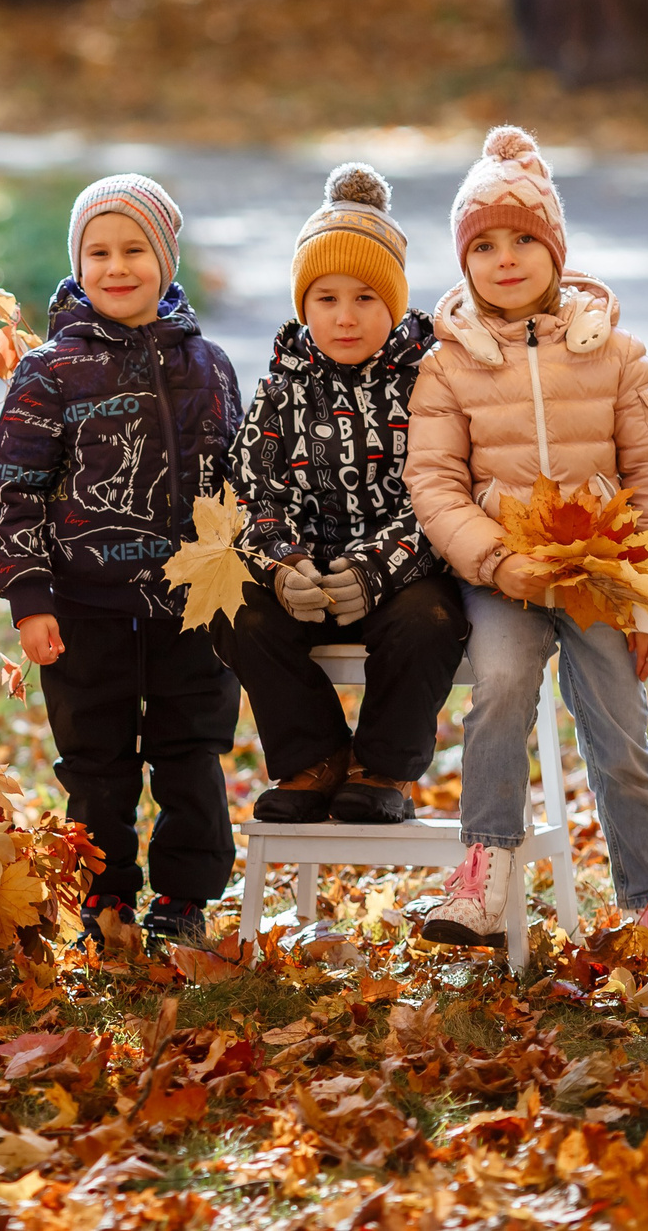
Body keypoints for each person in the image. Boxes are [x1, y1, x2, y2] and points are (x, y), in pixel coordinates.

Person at [404, 127, 648, 950]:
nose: (505, 259)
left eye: (523, 240)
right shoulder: (447, 365)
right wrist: (497, 561)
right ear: (464, 262)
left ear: (555, 248)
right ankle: (483, 881)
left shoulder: (617, 356)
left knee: (621, 734)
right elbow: (435, 483)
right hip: (503, 578)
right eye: (483, 246)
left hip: (599, 574)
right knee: (498, 689)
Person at [0, 174, 243, 947]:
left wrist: (241, 576)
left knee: (191, 753)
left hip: (191, 609)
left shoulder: (210, 366)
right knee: (96, 762)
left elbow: (237, 484)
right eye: (98, 252)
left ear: (166, 262)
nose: (116, 266)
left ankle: (185, 899)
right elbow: (17, 492)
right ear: (78, 264)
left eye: (135, 249)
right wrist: (31, 600)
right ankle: (104, 900)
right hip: (84, 608)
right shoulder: (49, 372)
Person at [223, 165, 468, 827]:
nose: (345, 316)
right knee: (233, 613)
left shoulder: (430, 383)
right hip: (306, 582)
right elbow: (252, 493)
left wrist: (376, 567)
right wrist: (282, 564)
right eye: (326, 298)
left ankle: (383, 768)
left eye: (365, 297)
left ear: (395, 303)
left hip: (402, 577)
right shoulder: (282, 389)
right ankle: (316, 758)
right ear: (304, 306)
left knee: (430, 621)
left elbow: (446, 492)